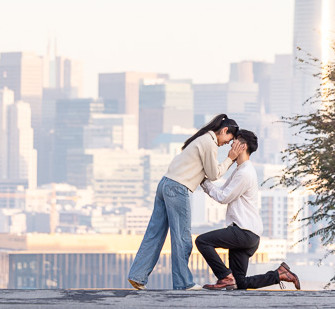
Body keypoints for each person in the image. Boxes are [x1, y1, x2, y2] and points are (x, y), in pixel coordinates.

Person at [127, 113, 240, 291]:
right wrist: (230, 159)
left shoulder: (201, 138)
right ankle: (183, 283)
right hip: (178, 189)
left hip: (165, 184)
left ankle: (137, 276)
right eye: (228, 140)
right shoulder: (209, 143)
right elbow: (214, 174)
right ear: (224, 130)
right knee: (181, 238)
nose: (226, 144)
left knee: (154, 233)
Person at [195, 130, 301, 291]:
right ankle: (279, 274)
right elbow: (222, 190)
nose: (231, 144)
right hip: (249, 234)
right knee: (240, 284)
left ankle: (224, 276)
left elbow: (223, 197)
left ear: (243, 146)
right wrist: (206, 180)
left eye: (235, 141)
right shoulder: (241, 170)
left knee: (202, 241)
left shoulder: (245, 173)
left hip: (244, 232)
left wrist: (203, 181)